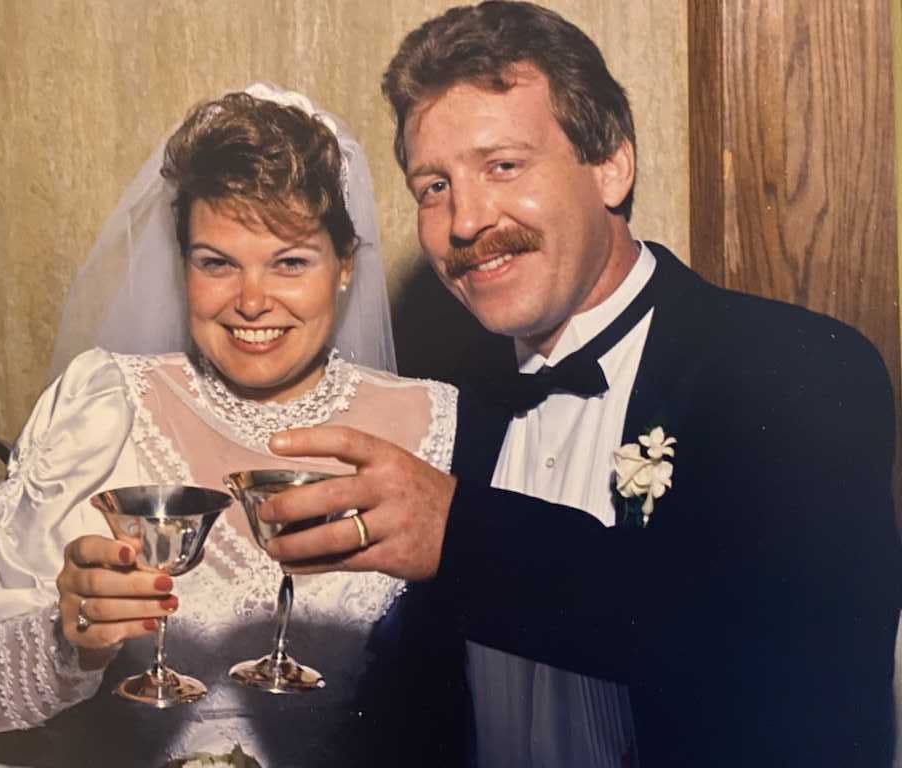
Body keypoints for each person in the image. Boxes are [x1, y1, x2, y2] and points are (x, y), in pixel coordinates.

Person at [257, 3, 901, 767]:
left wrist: (456, 533)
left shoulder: (795, 367)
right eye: (433, 185)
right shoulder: (449, 404)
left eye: (503, 165)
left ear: (611, 166)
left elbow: (781, 656)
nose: (465, 221)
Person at [0, 85, 465, 767]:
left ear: (343, 266)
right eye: (216, 262)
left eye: (290, 261)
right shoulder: (103, 406)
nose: (252, 301)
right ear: (183, 263)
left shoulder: (436, 422)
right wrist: (71, 640)